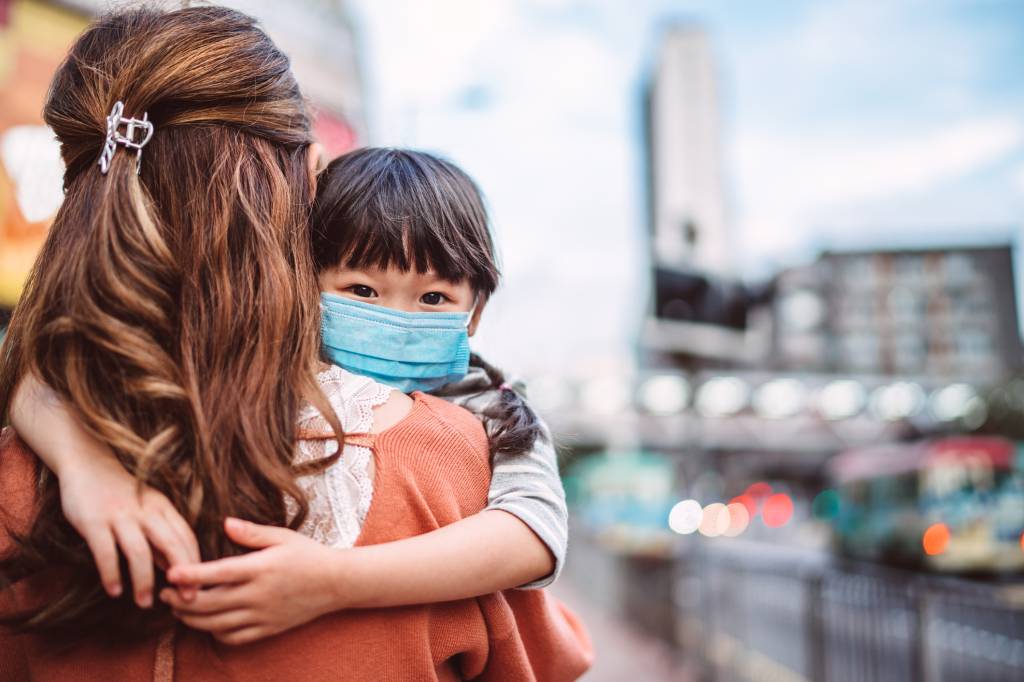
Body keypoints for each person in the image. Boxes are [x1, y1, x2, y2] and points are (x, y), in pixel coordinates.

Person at [0, 6, 590, 680]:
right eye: (363, 289)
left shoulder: (23, 471)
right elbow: (548, 652)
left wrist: (81, 466)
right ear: (309, 185)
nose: (397, 314)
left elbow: (35, 365)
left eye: (434, 297)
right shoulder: (452, 461)